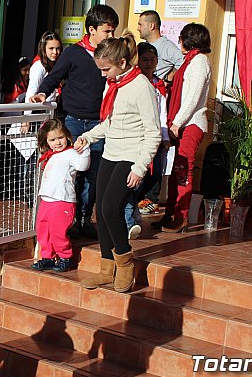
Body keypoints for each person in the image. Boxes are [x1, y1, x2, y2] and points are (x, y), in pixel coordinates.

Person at [75, 35, 161, 293]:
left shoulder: (141, 87)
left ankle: (125, 263)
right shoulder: (114, 85)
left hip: (131, 155)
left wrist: (140, 167)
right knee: (100, 211)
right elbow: (111, 122)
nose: (103, 75)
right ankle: (106, 268)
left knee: (112, 208)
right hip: (111, 153)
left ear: (122, 62)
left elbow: (153, 131)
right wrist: (88, 137)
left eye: (106, 69)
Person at [30, 4, 119, 238]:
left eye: (113, 31)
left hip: (98, 125)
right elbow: (54, 77)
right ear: (92, 30)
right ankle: (65, 221)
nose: (111, 36)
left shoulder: (111, 56)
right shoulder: (73, 53)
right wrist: (42, 93)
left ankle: (83, 218)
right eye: (107, 31)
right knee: (68, 171)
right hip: (73, 122)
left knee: (93, 175)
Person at [152, 23, 212, 233]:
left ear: (189, 40)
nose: (179, 43)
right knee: (175, 168)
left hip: (191, 123)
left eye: (181, 39)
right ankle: (170, 212)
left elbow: (192, 98)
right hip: (181, 122)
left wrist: (177, 122)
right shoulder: (189, 61)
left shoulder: (199, 62)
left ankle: (182, 215)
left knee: (183, 169)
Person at [31, 119, 90, 273]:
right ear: (47, 142)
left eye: (60, 137)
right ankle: (48, 257)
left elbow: (83, 165)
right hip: (46, 200)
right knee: (43, 229)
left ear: (67, 136)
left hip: (62, 200)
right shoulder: (49, 155)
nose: (57, 142)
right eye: (52, 139)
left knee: (58, 231)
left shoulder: (71, 153)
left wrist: (85, 149)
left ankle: (65, 257)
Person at [135, 42, 171, 216]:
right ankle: (132, 203)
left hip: (155, 135)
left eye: (152, 59)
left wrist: (164, 136)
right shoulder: (136, 82)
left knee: (156, 172)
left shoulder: (159, 85)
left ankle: (140, 200)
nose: (149, 63)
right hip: (138, 134)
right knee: (138, 171)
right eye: (144, 59)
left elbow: (163, 112)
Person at [137, 10, 184, 83]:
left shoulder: (166, 46)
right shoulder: (143, 46)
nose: (138, 28)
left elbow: (183, 60)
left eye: (140, 25)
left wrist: (169, 78)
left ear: (151, 26)